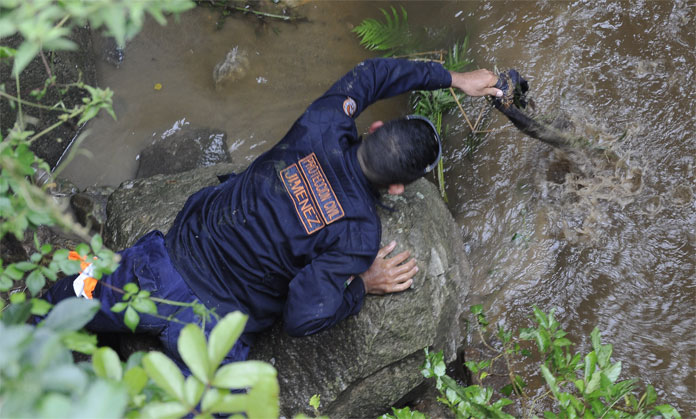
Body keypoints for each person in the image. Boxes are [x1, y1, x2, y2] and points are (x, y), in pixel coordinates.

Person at [44, 58, 501, 372]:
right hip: (211, 327)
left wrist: (456, 79)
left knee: (63, 295)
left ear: (374, 127)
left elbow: (374, 73)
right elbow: (303, 316)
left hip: (162, 265)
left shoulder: (323, 122)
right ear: (397, 187)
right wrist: (361, 285)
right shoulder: (360, 235)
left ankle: (31, 332)